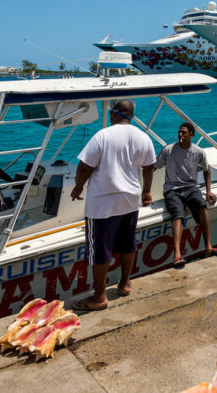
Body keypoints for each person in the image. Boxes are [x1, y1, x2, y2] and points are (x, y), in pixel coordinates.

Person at [71, 100, 155, 311]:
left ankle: (99, 297)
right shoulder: (143, 137)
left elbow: (84, 166)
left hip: (102, 204)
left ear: (114, 114)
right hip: (130, 200)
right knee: (127, 243)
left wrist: (78, 188)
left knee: (100, 250)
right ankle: (125, 283)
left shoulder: (103, 135)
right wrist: (146, 191)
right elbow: (149, 167)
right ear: (131, 115)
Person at [155, 122, 217, 268]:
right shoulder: (168, 150)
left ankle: (208, 248)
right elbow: (153, 166)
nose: (180, 135)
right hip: (172, 189)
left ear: (191, 135)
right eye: (179, 132)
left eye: (184, 133)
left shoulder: (198, 152)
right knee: (178, 214)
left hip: (190, 187)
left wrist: (209, 190)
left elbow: (206, 169)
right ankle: (177, 255)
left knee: (202, 206)